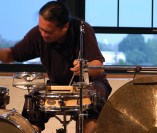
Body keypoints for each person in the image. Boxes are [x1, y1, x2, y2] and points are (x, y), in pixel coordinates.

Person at [0, 1, 112, 133]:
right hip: (57, 84)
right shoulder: (39, 33)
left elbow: (98, 68)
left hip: (90, 83)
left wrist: (85, 67)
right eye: (40, 28)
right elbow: (10, 55)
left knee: (94, 99)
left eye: (48, 31)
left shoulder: (82, 30)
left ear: (65, 26)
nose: (42, 34)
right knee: (34, 98)